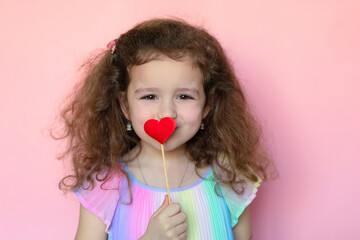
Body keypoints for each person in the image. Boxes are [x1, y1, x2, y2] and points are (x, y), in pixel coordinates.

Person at [55, 18, 274, 240]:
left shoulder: (228, 174)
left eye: (184, 96)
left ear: (207, 105)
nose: (167, 113)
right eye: (150, 96)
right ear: (125, 106)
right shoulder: (105, 185)